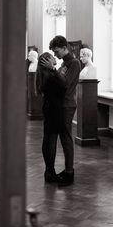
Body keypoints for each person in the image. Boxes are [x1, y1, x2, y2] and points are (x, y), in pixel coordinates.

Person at [40, 35, 81, 186]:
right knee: (62, 138)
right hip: (59, 105)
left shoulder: (74, 63)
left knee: (66, 138)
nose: (55, 55)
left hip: (67, 105)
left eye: (57, 51)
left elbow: (65, 85)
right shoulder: (64, 64)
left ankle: (69, 173)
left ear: (65, 48)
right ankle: (67, 170)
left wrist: (53, 69)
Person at [36, 52, 66, 183]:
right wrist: (55, 69)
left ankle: (48, 171)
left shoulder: (44, 75)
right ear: (47, 61)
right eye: (52, 57)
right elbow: (64, 87)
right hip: (54, 109)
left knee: (47, 139)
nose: (55, 58)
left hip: (49, 108)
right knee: (51, 140)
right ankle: (50, 172)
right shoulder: (51, 75)